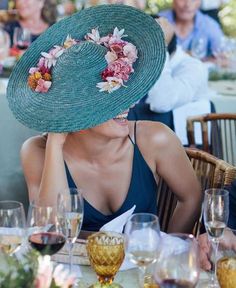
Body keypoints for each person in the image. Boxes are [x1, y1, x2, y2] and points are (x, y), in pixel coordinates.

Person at [7, 4, 201, 233]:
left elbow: (192, 198)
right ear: (76, 110)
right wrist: (56, 140)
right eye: (109, 100)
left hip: (143, 267)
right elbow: (48, 230)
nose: (129, 104)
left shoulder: (155, 139)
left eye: (122, 91)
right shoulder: (37, 151)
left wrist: (169, 247)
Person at [129, 17, 212, 145]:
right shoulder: (138, 63)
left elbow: (161, 103)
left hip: (186, 149)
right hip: (142, 140)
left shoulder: (194, 67)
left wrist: (160, 50)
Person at [159, 0, 224, 59]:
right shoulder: (158, 21)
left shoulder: (210, 25)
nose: (187, 4)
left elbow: (223, 57)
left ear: (199, 2)